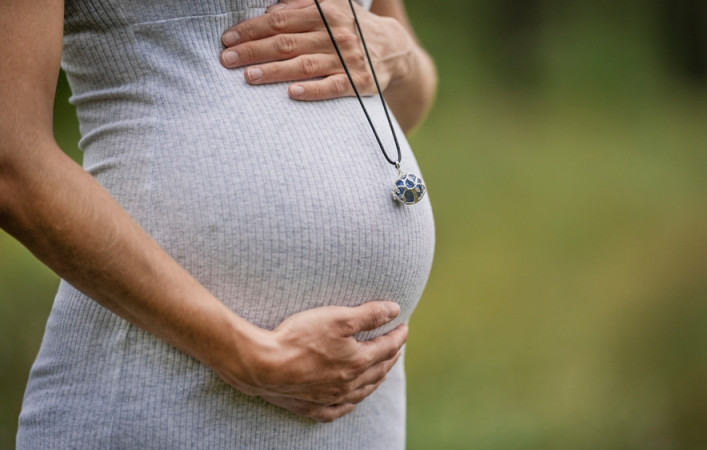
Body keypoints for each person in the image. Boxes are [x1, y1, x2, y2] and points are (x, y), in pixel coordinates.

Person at [1, 0, 436, 447]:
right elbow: (11, 160)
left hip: (363, 404)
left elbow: (410, 97)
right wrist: (245, 356)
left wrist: (398, 51)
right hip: (158, 393)